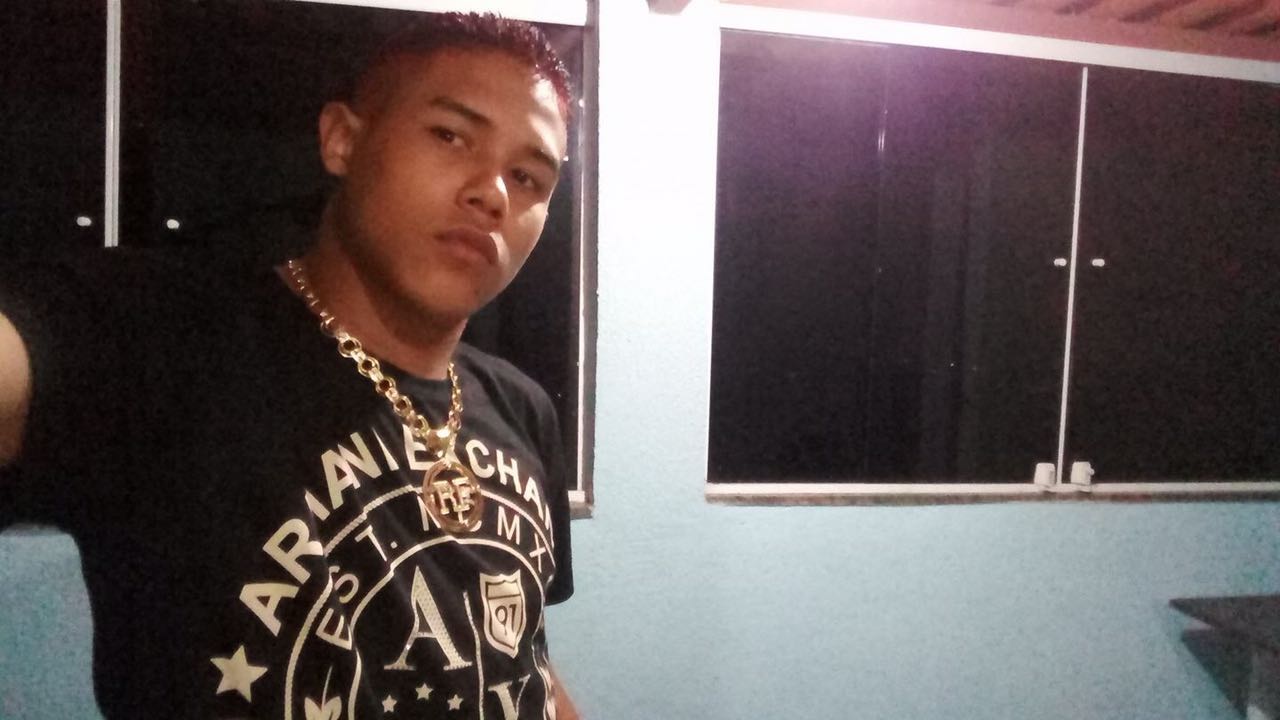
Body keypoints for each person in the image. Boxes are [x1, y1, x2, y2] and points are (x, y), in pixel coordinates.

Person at [0, 11, 579, 719]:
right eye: (450, 135)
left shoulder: (521, 408)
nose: (493, 192)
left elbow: (518, 660)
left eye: (528, 176)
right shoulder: (162, 338)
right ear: (342, 140)